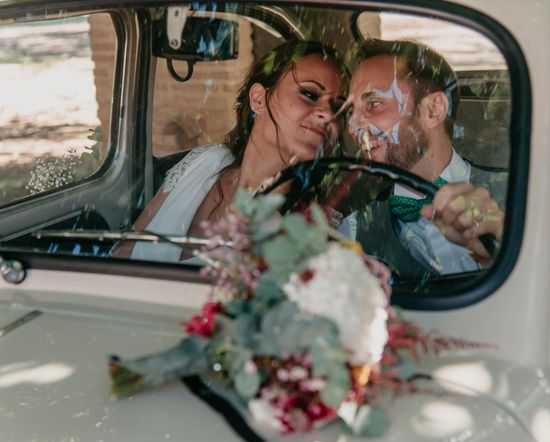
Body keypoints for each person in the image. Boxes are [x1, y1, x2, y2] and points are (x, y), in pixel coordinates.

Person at [114, 40, 348, 261]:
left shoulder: (311, 225)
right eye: (309, 94)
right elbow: (124, 251)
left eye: (337, 107)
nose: (328, 115)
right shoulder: (206, 161)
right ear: (259, 100)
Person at [341, 39, 506, 278]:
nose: (352, 127)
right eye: (350, 112)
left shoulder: (522, 199)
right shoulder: (354, 224)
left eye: (374, 104)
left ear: (433, 110)